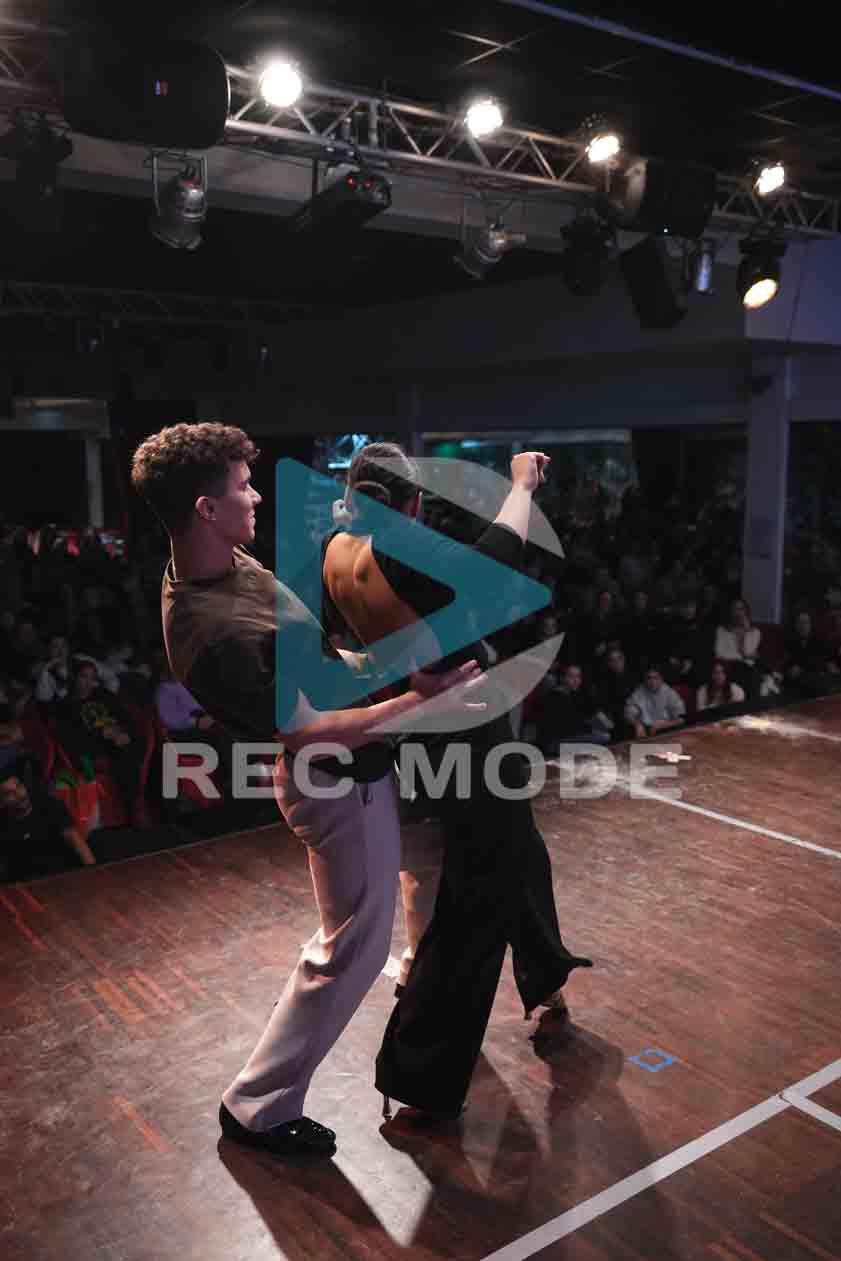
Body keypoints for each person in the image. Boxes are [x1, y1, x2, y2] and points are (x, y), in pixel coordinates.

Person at [130, 422, 479, 1158]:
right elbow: (311, 732)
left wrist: (390, 668)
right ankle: (257, 1105)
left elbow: (311, 659)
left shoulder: (219, 563)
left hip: (338, 773)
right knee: (349, 950)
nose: (256, 495)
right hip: (333, 780)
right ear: (205, 508)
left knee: (351, 939)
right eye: (242, 486)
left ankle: (263, 1097)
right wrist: (418, 701)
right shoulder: (213, 631)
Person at [323, 443, 591, 1120]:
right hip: (465, 735)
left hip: (422, 730)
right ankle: (418, 1068)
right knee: (474, 897)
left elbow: (343, 646)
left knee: (518, 850)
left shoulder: (338, 550)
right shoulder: (401, 553)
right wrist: (521, 485)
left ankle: (546, 976)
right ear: (413, 506)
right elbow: (496, 560)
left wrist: (400, 669)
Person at [53, 660, 148, 826]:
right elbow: (72, 740)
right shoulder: (66, 706)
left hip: (119, 738)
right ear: (74, 677)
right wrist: (102, 734)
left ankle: (140, 806)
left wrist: (124, 733)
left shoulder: (103, 694)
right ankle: (133, 809)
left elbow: (126, 717)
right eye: (84, 677)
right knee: (124, 754)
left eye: (92, 678)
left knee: (131, 746)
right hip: (93, 748)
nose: (88, 682)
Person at [1, 771, 96, 880]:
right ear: (1, 802)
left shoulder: (51, 806)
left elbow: (77, 842)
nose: (19, 794)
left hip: (63, 877)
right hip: (25, 883)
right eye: (9, 793)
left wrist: (94, 874)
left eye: (19, 786)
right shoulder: (4, 825)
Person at [624, 665, 686, 738]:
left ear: (661, 679)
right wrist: (637, 724)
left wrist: (663, 725)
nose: (652, 681)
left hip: (666, 729)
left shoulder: (669, 693)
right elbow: (628, 713)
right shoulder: (639, 691)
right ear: (645, 679)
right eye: (649, 678)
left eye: (656, 678)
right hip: (646, 730)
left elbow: (681, 719)